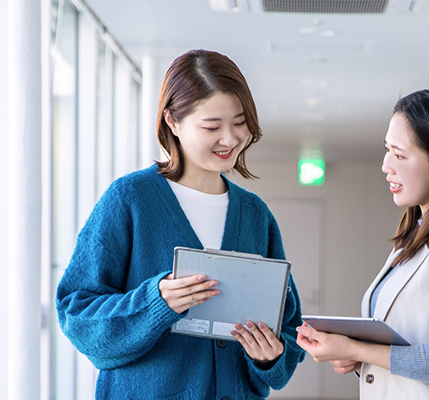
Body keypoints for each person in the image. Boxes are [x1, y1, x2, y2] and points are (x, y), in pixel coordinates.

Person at [56, 49, 304, 400]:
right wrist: (156, 301)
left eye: (239, 122)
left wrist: (270, 356)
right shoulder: (130, 199)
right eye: (212, 126)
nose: (230, 139)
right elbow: (76, 313)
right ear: (172, 121)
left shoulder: (255, 215)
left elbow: (288, 326)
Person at [296, 87, 429, 399]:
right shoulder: (415, 237)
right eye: (387, 150)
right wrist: (359, 357)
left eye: (400, 155)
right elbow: (412, 347)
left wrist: (358, 347)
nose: (386, 165)